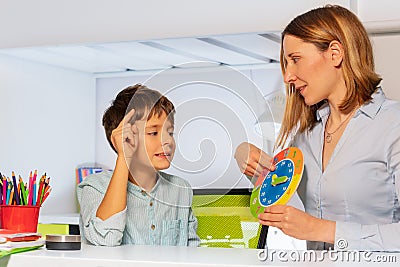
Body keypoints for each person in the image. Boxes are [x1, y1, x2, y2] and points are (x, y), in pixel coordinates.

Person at [235, 5, 400, 251]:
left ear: (335, 53)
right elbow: (277, 192)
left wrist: (321, 229)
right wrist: (244, 157)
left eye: (295, 60)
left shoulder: (392, 125)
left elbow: (311, 225)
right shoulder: (306, 137)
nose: (288, 76)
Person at [77, 84, 200, 247]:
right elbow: (105, 239)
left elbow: (192, 249)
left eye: (170, 132)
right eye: (153, 133)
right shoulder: (94, 187)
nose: (167, 141)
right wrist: (123, 156)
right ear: (124, 138)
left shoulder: (180, 189)